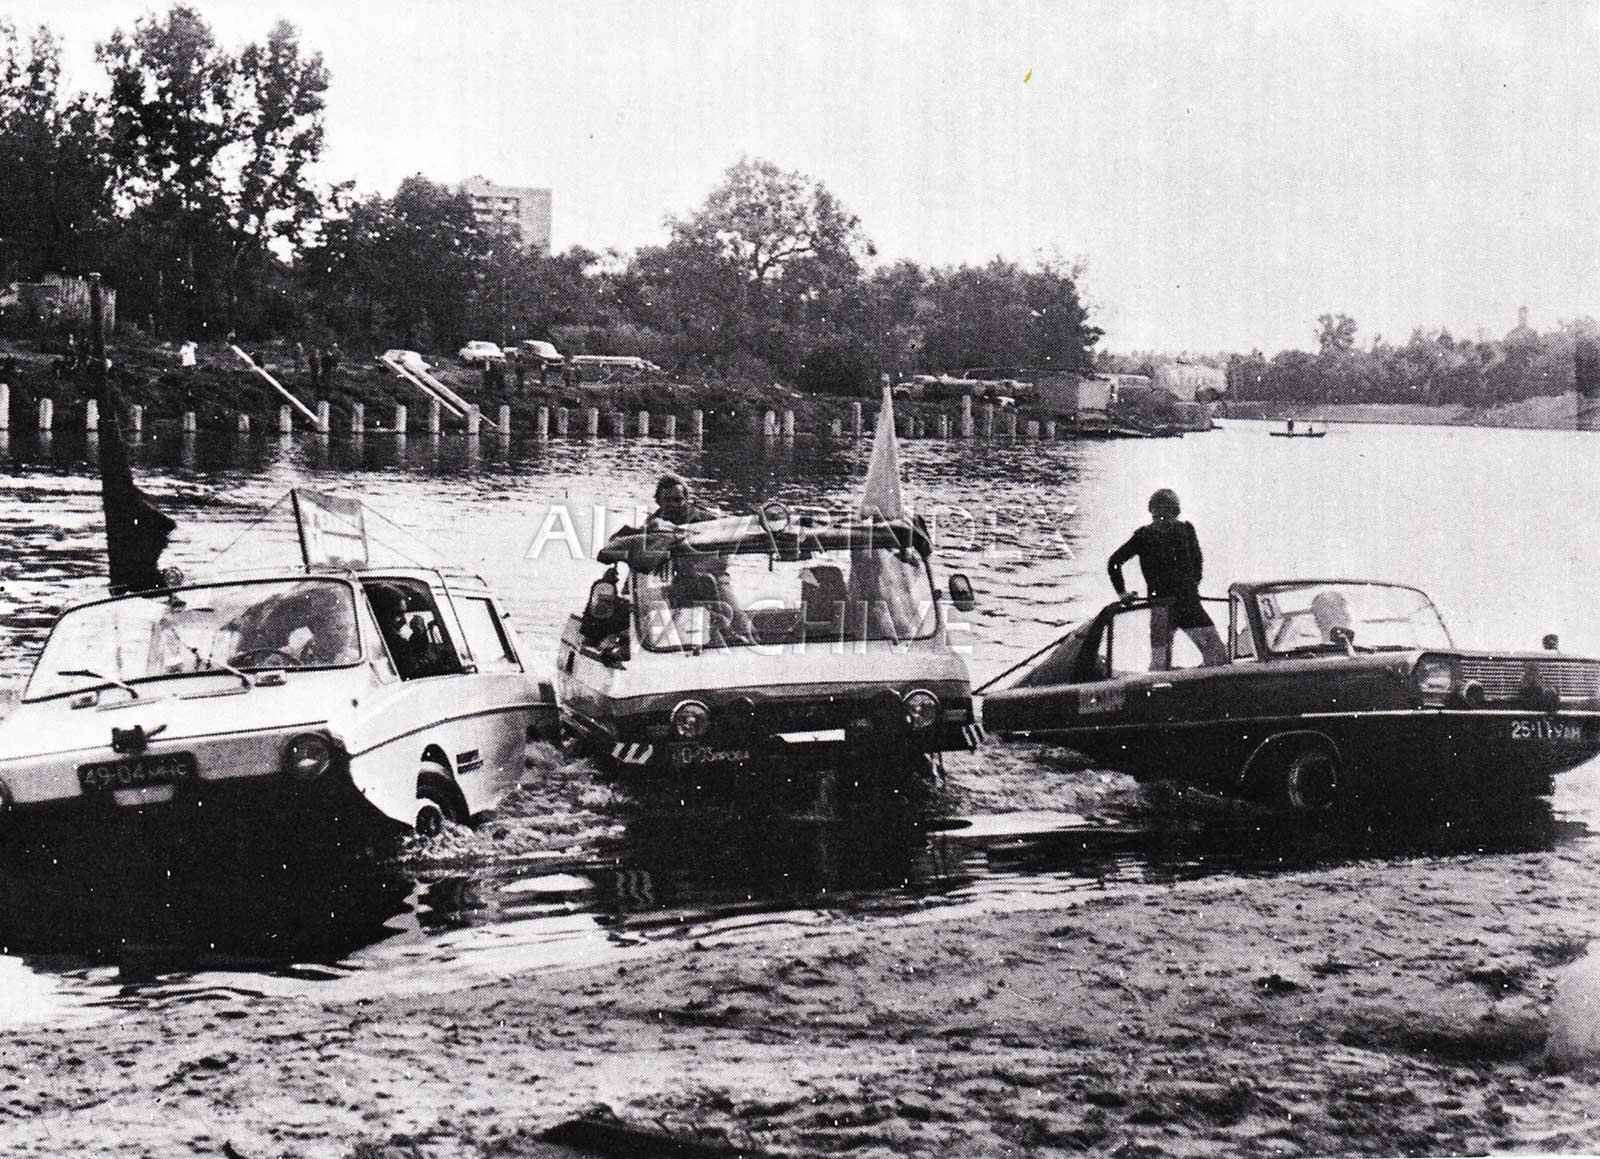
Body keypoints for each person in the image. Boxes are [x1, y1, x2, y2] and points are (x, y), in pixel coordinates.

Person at [1107, 488, 1227, 670]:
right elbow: (1114, 562)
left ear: (1175, 512)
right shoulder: (1143, 536)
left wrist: (1192, 585)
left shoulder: (1186, 530)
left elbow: (1198, 561)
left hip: (1188, 604)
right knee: (1159, 663)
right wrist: (1122, 593)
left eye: (1167, 514)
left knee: (1218, 655)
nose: (1162, 520)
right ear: (1152, 512)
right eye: (1157, 514)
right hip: (1161, 606)